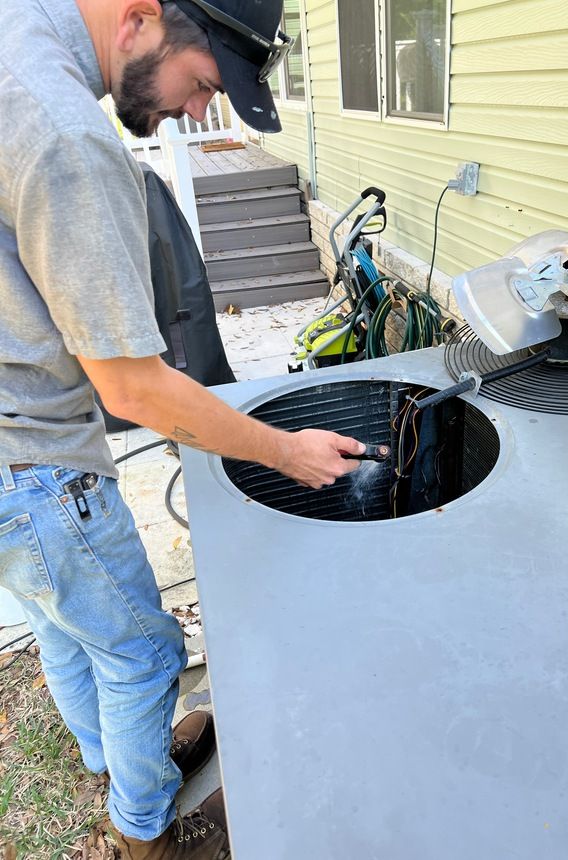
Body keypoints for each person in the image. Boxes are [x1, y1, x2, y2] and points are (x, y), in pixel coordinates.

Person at [0, 0, 365, 857]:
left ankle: (112, 760)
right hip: (31, 461)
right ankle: (146, 833)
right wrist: (283, 449)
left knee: (64, 624)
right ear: (139, 19)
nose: (201, 113)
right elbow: (134, 388)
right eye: (203, 85)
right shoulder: (63, 134)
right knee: (142, 652)